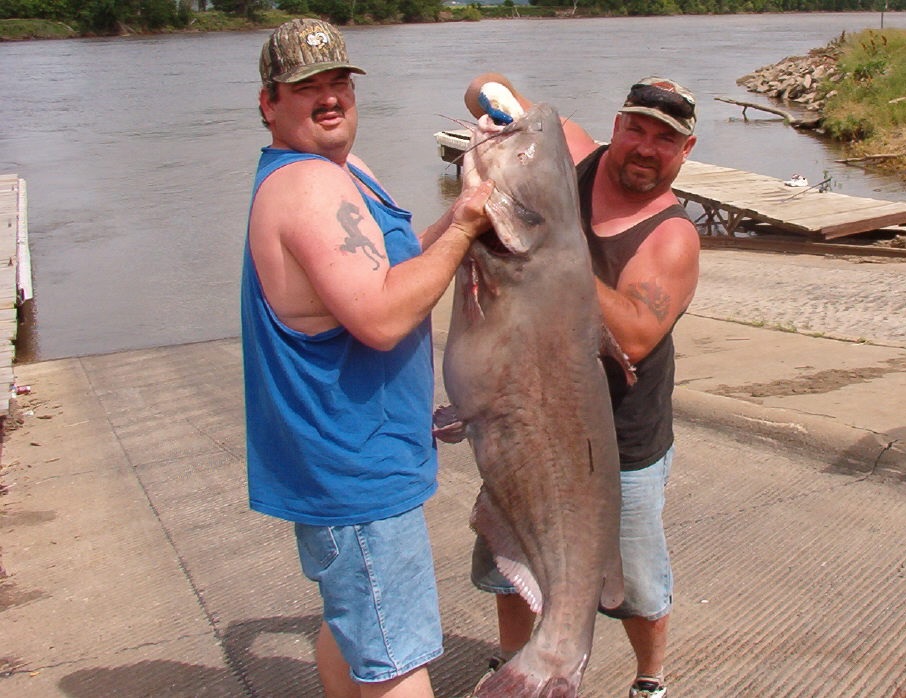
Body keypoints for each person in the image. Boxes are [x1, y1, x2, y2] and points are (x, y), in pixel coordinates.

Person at [241, 18, 493, 698]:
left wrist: (463, 216)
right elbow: (382, 317)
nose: (328, 99)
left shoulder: (343, 172)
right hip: (354, 468)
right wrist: (469, 221)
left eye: (337, 83)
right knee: (396, 661)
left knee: (353, 629)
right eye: (305, 89)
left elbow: (398, 256)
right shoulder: (307, 187)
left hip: (352, 462)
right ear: (269, 102)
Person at [463, 73, 701, 698]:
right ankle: (516, 662)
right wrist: (500, 108)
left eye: (665, 139)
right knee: (506, 563)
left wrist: (548, 254)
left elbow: (639, 335)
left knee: (637, 586)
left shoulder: (671, 235)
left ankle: (649, 680)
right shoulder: (571, 153)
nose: (646, 147)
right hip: (527, 415)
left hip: (619, 442)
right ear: (616, 126)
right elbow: (484, 89)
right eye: (637, 129)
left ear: (686, 150)